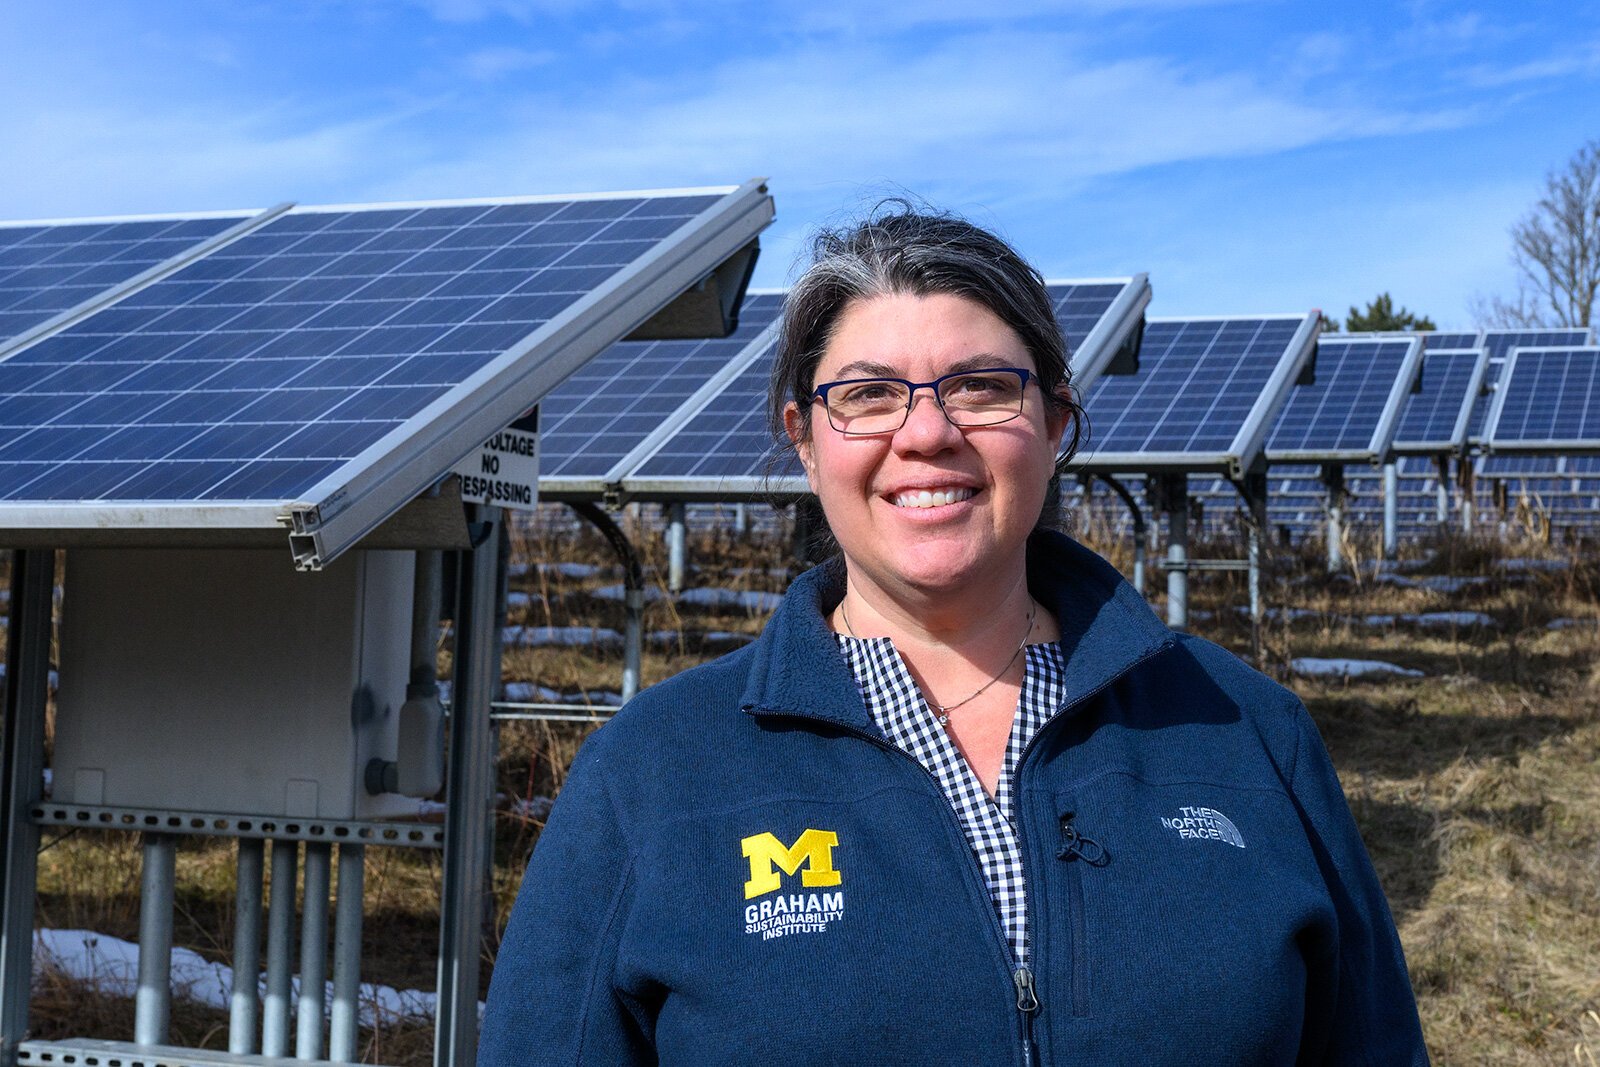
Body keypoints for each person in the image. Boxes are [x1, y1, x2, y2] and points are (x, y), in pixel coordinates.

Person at [479, 206, 1429, 1065]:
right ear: (805, 439)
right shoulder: (651, 773)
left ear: (1057, 422)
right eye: (867, 394)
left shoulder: (1246, 733)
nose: (927, 433)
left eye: (980, 387)